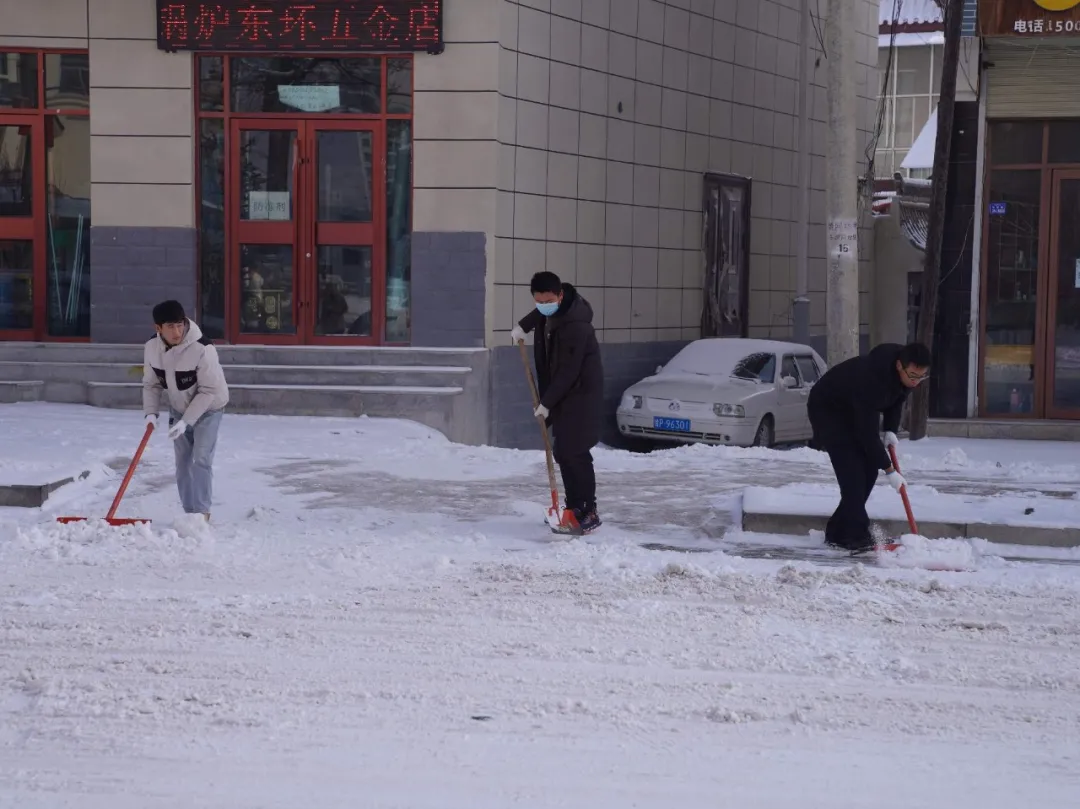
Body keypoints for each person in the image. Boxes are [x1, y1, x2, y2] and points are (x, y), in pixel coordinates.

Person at [807, 341, 932, 552]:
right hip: (829, 412)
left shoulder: (906, 375)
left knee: (868, 472)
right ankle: (856, 535)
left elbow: (898, 398)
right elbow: (866, 433)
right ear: (899, 366)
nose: (916, 382)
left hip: (855, 410)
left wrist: (891, 429)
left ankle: (838, 531)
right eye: (913, 376)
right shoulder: (872, 379)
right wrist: (889, 469)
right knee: (854, 474)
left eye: (922, 377)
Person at [511, 272, 604, 533]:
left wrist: (547, 402)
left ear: (560, 295)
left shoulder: (577, 326)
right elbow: (540, 314)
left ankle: (588, 510)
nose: (543, 305)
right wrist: (523, 326)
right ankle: (573, 506)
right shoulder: (550, 310)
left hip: (581, 394)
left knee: (575, 452)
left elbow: (569, 371)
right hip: (561, 391)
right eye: (538, 301)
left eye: (548, 300)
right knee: (563, 451)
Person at [142, 300, 230, 521]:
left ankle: (202, 513)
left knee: (201, 457)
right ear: (158, 328)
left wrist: (186, 422)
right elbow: (151, 384)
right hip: (179, 407)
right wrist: (151, 414)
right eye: (170, 326)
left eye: (180, 324)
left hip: (209, 407)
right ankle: (189, 512)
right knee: (182, 461)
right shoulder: (151, 348)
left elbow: (208, 390)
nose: (177, 331)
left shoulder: (202, 347)